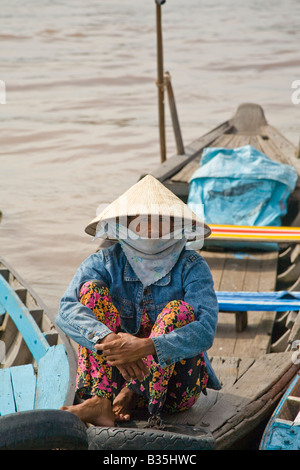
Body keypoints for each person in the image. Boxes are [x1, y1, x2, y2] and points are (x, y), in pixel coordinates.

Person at [56, 175, 221, 427]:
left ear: (174, 225)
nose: (152, 228)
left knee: (179, 311)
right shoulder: (105, 261)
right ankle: (101, 400)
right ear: (126, 223)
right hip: (114, 377)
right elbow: (66, 310)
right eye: (142, 221)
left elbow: (205, 331)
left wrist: (145, 347)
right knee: (90, 292)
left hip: (172, 392)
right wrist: (110, 339)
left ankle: (135, 392)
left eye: (160, 220)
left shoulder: (192, 266)